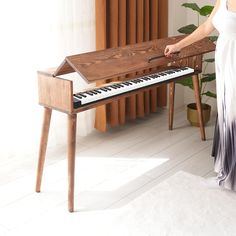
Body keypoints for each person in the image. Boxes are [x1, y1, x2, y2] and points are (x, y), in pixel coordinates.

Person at [165, 0, 236, 191]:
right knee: (227, 113)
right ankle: (230, 168)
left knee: (233, 115)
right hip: (225, 61)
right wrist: (178, 45)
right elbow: (206, 27)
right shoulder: (223, 0)